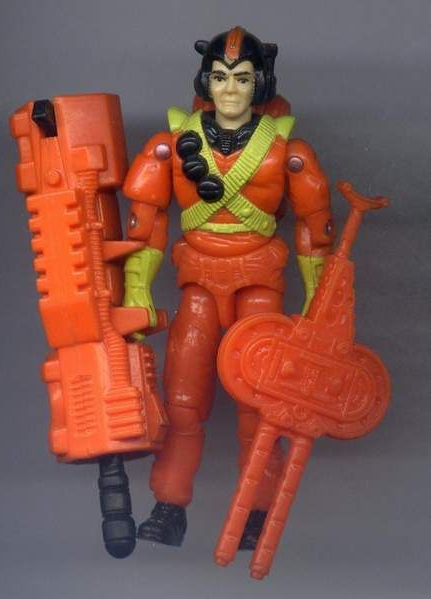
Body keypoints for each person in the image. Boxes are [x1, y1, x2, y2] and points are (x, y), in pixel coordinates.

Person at [122, 26, 335, 549]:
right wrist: (136, 291)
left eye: (242, 78)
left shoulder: (287, 151)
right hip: (198, 282)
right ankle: (169, 505)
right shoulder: (171, 146)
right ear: (206, 82)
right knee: (182, 400)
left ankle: (255, 515)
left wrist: (318, 305)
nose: (230, 90)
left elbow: (314, 231)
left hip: (258, 285)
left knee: (259, 405)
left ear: (260, 83)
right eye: (220, 78)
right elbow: (146, 224)